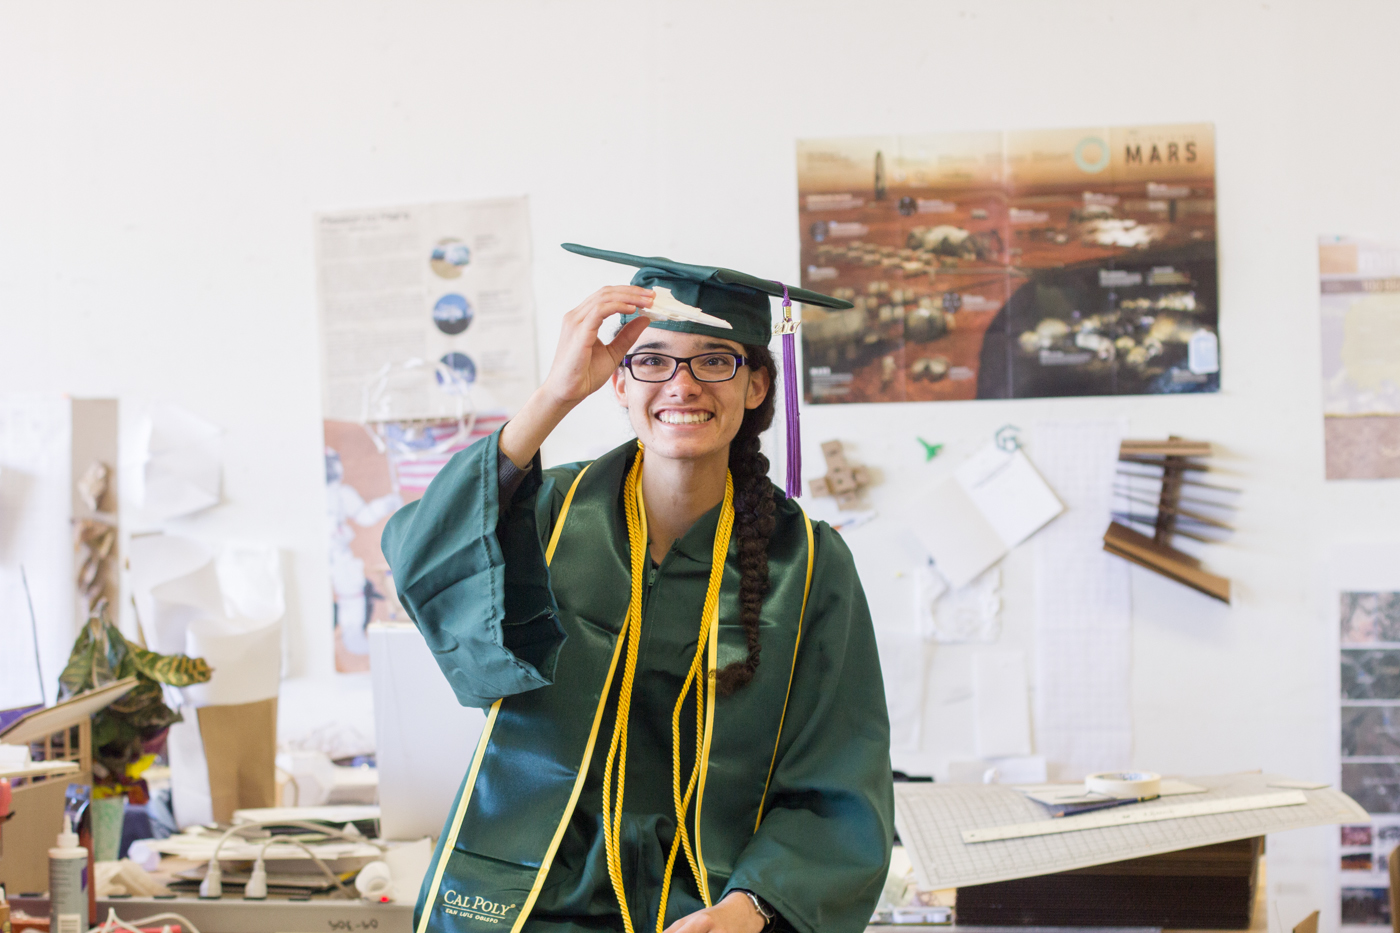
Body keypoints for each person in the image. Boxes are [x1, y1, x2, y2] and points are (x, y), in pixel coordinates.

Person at [382, 245, 894, 933]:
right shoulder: (546, 514)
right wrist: (555, 395)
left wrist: (749, 909)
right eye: (651, 360)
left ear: (757, 385)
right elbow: (421, 551)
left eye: (715, 361)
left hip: (706, 904)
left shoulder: (807, 563)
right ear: (619, 382)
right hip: (527, 898)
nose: (683, 385)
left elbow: (839, 775)